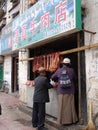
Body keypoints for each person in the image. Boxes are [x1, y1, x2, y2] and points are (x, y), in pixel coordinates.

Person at [51, 58, 78, 125]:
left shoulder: (59, 70)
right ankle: (72, 120)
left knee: (61, 106)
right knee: (70, 106)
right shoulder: (72, 70)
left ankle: (61, 121)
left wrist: (56, 82)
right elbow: (75, 78)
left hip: (61, 92)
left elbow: (52, 77)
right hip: (70, 91)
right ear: (69, 64)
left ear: (63, 63)